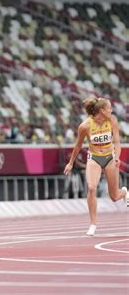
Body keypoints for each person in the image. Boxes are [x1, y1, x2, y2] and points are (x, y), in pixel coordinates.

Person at [64, 96, 128, 236]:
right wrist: (71, 163)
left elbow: (117, 143)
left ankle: (124, 192)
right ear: (102, 111)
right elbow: (78, 146)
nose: (111, 110)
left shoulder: (112, 121)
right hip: (94, 158)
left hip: (110, 157)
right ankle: (93, 224)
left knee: (114, 196)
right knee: (91, 188)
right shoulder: (85, 126)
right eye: (109, 108)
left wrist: (117, 157)